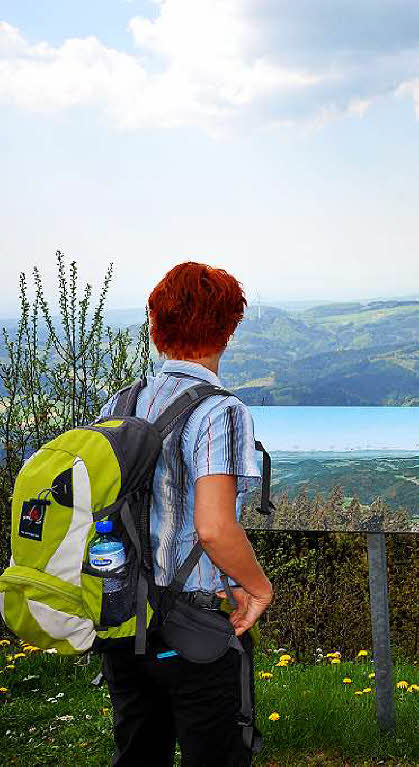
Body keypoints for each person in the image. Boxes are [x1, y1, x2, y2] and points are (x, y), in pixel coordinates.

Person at [97, 262, 274, 767]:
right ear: (229, 328)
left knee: (137, 752)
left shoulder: (123, 402)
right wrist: (258, 587)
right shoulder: (221, 411)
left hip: (124, 621)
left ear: (155, 326)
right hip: (194, 629)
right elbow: (215, 527)